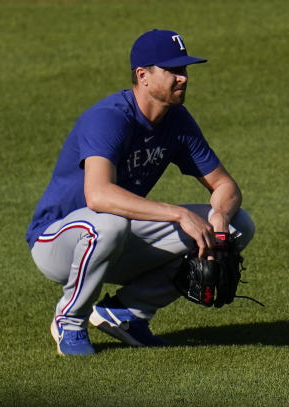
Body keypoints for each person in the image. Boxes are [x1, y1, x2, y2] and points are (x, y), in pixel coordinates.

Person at [26, 29, 255, 356]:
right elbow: (99, 196)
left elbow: (225, 186)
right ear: (143, 76)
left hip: (114, 240)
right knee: (110, 223)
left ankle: (127, 312)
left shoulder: (177, 121)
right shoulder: (109, 118)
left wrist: (219, 215)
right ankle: (70, 320)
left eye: (184, 70)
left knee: (236, 226)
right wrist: (179, 214)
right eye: (172, 70)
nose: (183, 78)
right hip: (57, 240)